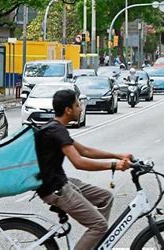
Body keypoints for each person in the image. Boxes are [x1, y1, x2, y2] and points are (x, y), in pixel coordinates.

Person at [36, 89, 132, 250]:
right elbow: (79, 162)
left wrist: (118, 155)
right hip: (55, 188)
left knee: (106, 197)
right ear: (68, 110)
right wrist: (114, 165)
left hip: (61, 182)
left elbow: (85, 151)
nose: (81, 108)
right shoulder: (56, 130)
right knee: (99, 226)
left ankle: (93, 244)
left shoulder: (56, 128)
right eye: (77, 104)